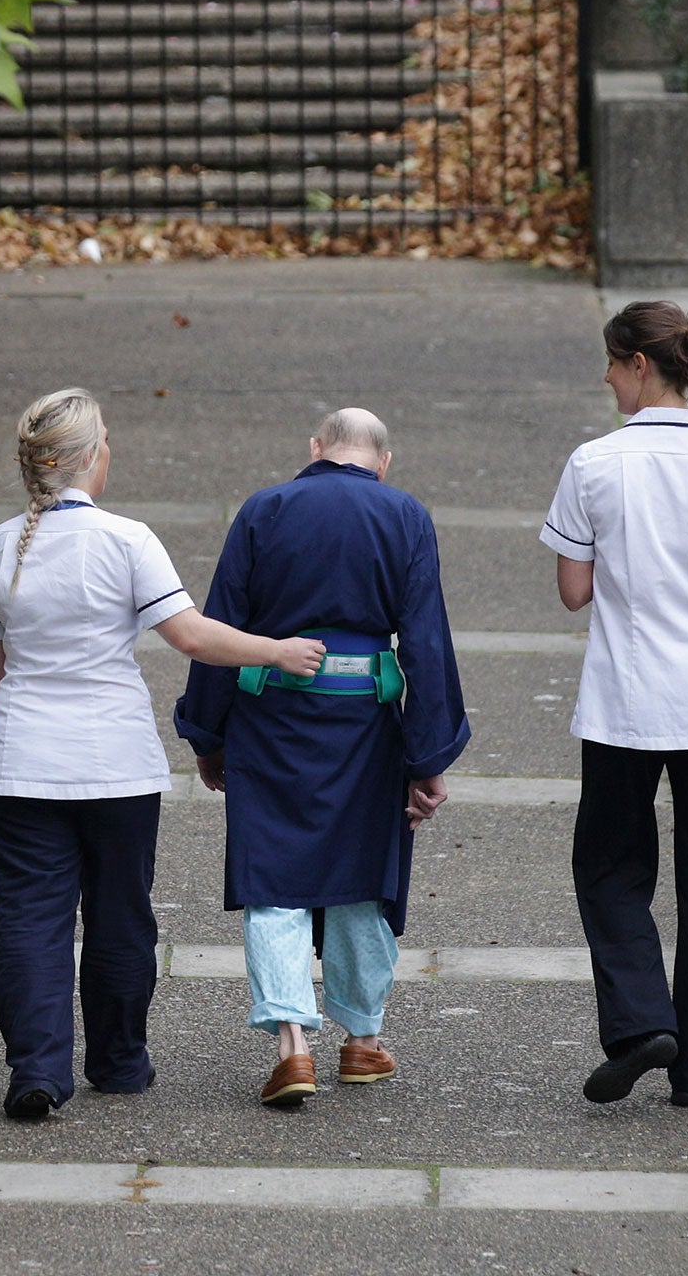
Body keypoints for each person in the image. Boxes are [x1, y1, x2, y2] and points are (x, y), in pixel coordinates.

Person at [0, 387, 327, 1122]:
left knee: (28, 921)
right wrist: (280, 651)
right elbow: (192, 636)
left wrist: (4, 744)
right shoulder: (128, 541)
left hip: (22, 764)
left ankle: (35, 1070)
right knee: (120, 916)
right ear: (92, 458)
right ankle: (119, 1062)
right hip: (116, 766)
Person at [174, 407, 468, 1109]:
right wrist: (428, 757)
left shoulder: (264, 509)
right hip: (365, 727)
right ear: (383, 461)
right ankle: (362, 1041)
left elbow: (222, 622)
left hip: (271, 721)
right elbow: (425, 641)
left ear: (315, 449)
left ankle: (292, 1048)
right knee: (363, 878)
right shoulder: (405, 517)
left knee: (273, 878)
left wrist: (208, 734)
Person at [541, 301, 688, 1109]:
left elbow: (574, 591)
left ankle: (643, 1018)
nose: (609, 379)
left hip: (624, 700)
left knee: (610, 868)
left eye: (612, 365)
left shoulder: (593, 465)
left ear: (639, 365)